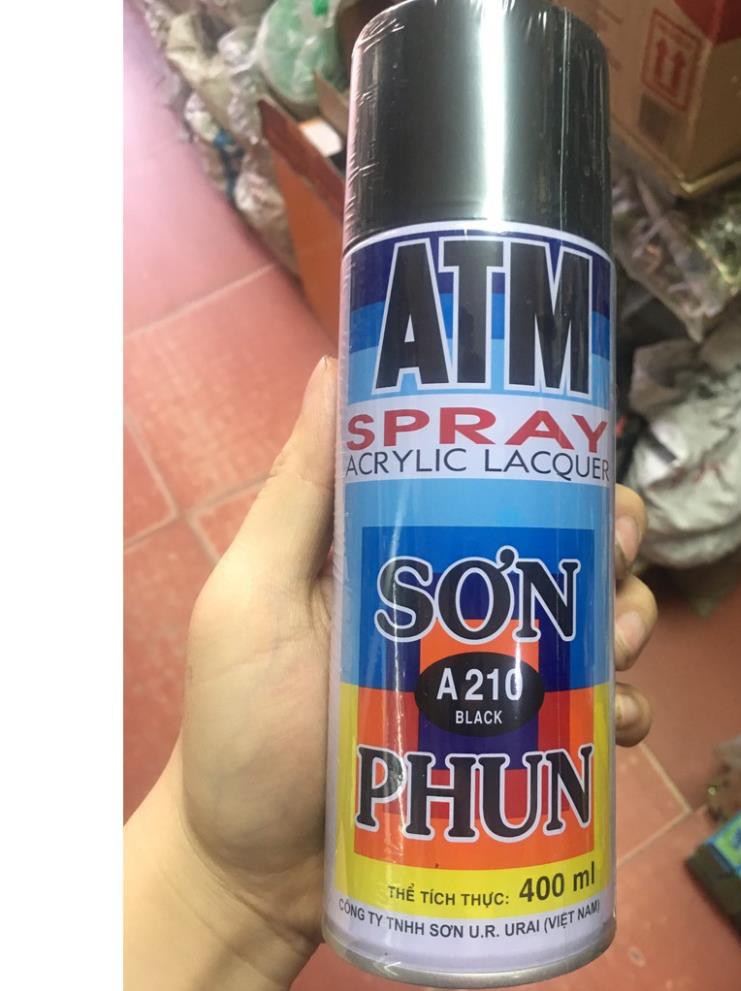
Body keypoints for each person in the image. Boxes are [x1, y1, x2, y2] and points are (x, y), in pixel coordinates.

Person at [124, 356, 659, 989]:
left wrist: (211, 887)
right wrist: (213, 876)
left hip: (545, 889)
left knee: (568, 609)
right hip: (374, 882)